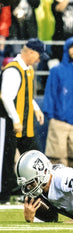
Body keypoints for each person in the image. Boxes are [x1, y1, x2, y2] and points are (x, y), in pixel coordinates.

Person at [0, 38, 46, 204]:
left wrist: (36, 108)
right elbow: (6, 97)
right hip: (11, 123)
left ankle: (33, 192)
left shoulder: (27, 69)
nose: (38, 60)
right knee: (6, 159)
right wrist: (16, 119)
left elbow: (25, 94)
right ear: (31, 53)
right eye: (38, 56)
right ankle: (4, 194)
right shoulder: (13, 70)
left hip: (24, 124)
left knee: (34, 157)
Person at [43, 37, 73, 169]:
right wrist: (51, 115)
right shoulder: (56, 70)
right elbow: (50, 93)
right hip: (59, 121)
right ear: (66, 49)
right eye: (72, 47)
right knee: (57, 161)